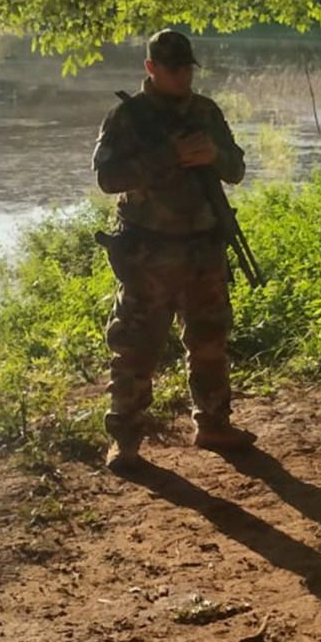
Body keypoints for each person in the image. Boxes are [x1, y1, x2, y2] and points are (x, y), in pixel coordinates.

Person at [92, 29, 254, 473]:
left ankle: (214, 424)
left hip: (203, 250)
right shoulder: (127, 117)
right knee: (135, 348)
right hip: (148, 254)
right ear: (151, 68)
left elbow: (237, 169)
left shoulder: (206, 112)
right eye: (173, 68)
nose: (183, 75)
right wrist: (169, 156)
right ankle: (125, 439)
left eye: (187, 68)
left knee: (210, 341)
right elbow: (107, 179)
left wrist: (214, 155)